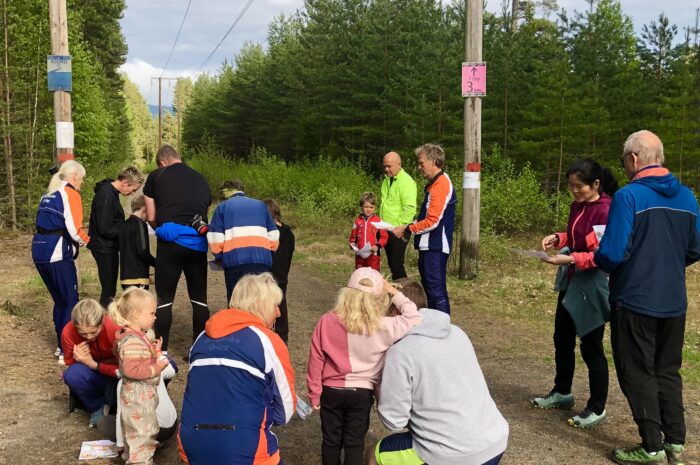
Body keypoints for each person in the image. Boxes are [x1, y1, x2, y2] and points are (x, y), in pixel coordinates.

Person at [595, 130, 700, 465]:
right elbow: (695, 248)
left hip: (635, 299)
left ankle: (651, 446)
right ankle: (675, 443)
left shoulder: (629, 197)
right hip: (673, 301)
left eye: (625, 160)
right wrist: (667, 262)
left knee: (636, 370)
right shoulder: (688, 197)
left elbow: (612, 253)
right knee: (668, 370)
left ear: (634, 159)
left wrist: (597, 257)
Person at [369, 280, 509, 465]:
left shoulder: (400, 352)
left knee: (373, 455)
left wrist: (378, 387)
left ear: (396, 312)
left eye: (380, 312)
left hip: (451, 455)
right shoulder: (457, 332)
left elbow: (394, 422)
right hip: (494, 443)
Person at [531, 159, 618, 429]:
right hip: (572, 283)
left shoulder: (606, 210)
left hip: (592, 285)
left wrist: (568, 260)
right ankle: (562, 391)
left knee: (591, 345)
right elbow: (578, 236)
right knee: (562, 337)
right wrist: (559, 238)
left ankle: (596, 406)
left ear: (595, 184)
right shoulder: (577, 205)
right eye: (570, 186)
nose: (574, 191)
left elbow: (601, 255)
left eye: (578, 186)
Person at [178, 273, 296, 465]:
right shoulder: (268, 341)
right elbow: (286, 410)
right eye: (275, 305)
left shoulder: (201, 339)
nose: (278, 313)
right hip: (245, 448)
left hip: (192, 444)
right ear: (261, 305)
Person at [307, 267, 422, 465]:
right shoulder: (383, 325)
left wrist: (314, 392)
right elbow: (414, 317)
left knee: (331, 442)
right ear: (379, 298)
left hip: (331, 391)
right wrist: (394, 292)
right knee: (354, 443)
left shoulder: (326, 321)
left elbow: (316, 359)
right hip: (361, 393)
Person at [143, 145, 212, 352]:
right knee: (199, 298)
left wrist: (163, 229)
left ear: (162, 162)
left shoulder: (156, 176)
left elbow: (152, 217)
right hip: (197, 245)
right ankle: (198, 351)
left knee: (165, 300)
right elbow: (203, 210)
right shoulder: (201, 178)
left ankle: (161, 352)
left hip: (170, 243)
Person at [32, 160, 90, 363]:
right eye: (81, 179)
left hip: (40, 250)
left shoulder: (48, 194)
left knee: (60, 301)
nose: (81, 183)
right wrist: (89, 242)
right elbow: (75, 230)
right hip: (56, 253)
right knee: (70, 301)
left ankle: (60, 345)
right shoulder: (70, 194)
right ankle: (68, 350)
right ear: (74, 176)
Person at [392, 144, 456, 314]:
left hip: (435, 246)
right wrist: (409, 226)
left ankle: (442, 328)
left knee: (436, 291)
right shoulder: (433, 184)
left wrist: (408, 228)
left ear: (433, 161)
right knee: (429, 289)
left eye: (421, 163)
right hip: (428, 246)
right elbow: (426, 218)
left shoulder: (441, 184)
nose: (419, 167)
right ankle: (434, 325)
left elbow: (433, 221)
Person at [109, 287, 170, 465]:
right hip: (138, 400)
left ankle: (133, 459)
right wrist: (156, 367)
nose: (155, 317)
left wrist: (152, 353)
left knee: (135, 437)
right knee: (142, 436)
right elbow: (131, 369)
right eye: (152, 313)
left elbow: (134, 359)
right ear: (136, 314)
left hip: (138, 399)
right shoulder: (132, 340)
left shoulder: (132, 336)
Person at [207, 180, 279, 302]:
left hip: (235, 263)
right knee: (260, 302)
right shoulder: (261, 205)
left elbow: (215, 237)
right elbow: (273, 235)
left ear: (227, 191)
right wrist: (269, 253)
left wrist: (220, 257)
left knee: (237, 301)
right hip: (261, 262)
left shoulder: (222, 207)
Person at [97, 349, 179, 449]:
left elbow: (121, 416)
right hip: (172, 426)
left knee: (104, 423)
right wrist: (159, 353)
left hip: (151, 430)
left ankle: (145, 443)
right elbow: (172, 370)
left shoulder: (123, 384)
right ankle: (153, 441)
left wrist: (120, 445)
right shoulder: (155, 369)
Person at [88, 166, 144, 308]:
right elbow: (105, 228)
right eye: (133, 189)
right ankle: (103, 319)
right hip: (103, 247)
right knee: (108, 289)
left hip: (108, 246)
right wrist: (127, 227)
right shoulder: (106, 195)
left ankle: (105, 317)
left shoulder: (112, 193)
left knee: (110, 287)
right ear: (125, 183)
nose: (132, 193)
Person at [61, 298, 121, 427]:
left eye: (93, 332)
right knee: (72, 374)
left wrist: (94, 364)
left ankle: (119, 407)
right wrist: (77, 359)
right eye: (82, 333)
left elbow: (128, 367)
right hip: (96, 375)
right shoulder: (68, 332)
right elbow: (69, 362)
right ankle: (96, 407)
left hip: (118, 374)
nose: (89, 337)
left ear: (102, 321)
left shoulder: (113, 327)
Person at [379, 151, 417, 280]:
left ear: (399, 164)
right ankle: (394, 294)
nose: (386, 169)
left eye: (389, 166)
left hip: (398, 230)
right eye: (384, 166)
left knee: (396, 265)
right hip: (385, 228)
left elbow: (409, 208)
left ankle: (405, 295)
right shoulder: (386, 180)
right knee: (389, 264)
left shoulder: (407, 182)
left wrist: (400, 228)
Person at [264, 198, 295, 344]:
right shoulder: (289, 234)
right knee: (281, 309)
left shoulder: (267, 234)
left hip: (267, 277)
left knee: (265, 311)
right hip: (282, 277)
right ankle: (283, 342)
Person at [119, 195, 156, 290]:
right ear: (145, 208)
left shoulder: (124, 225)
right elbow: (142, 251)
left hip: (125, 277)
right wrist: (157, 263)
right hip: (138, 277)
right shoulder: (140, 225)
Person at [349, 192, 389, 271]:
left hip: (373, 255)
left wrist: (377, 246)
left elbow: (384, 237)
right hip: (360, 255)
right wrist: (352, 244)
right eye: (366, 207)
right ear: (361, 206)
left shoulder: (378, 221)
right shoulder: (357, 221)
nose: (368, 209)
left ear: (375, 208)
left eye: (371, 207)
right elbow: (353, 237)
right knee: (360, 276)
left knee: (372, 277)